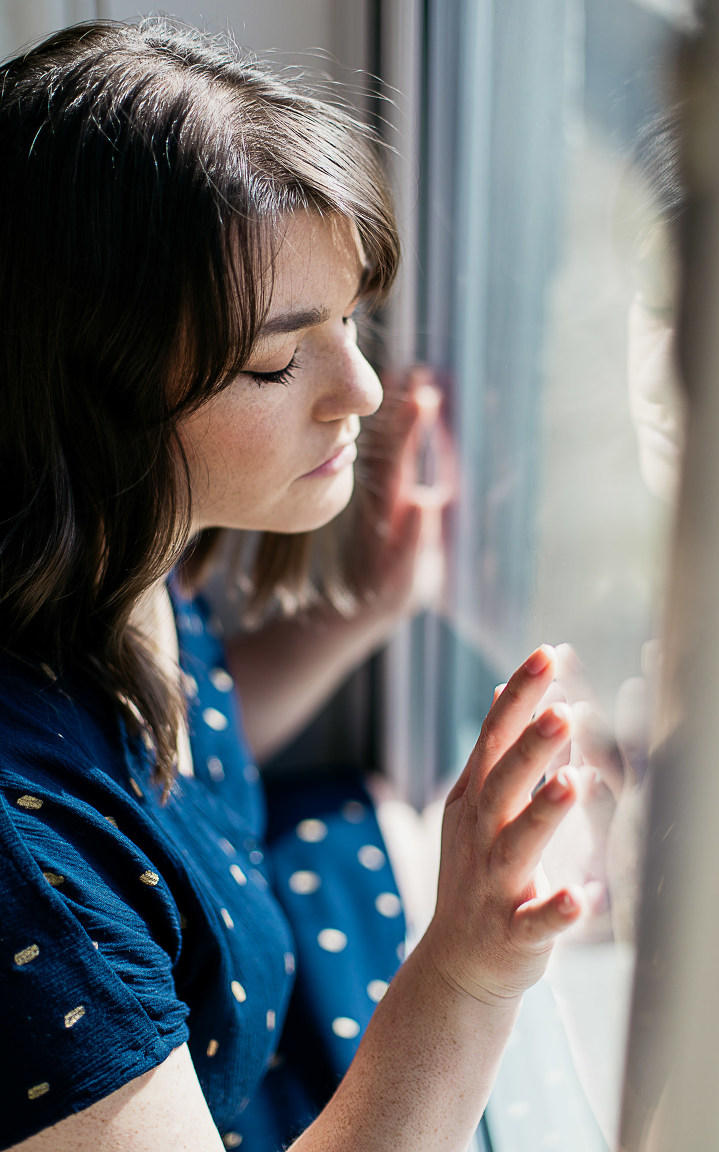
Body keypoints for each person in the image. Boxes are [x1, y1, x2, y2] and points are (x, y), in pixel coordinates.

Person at [0, 18, 583, 1152]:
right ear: (87, 393)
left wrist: (360, 615)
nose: (361, 388)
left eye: (352, 317)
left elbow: (157, 777)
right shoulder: (28, 895)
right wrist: (465, 972)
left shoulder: (107, 570)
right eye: (278, 360)